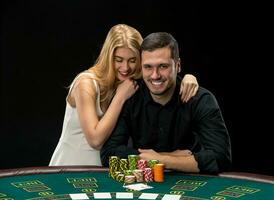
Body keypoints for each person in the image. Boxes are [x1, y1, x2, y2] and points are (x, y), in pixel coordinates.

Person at [49, 24, 199, 166]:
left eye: (132, 60)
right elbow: (95, 140)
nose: (125, 67)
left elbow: (163, 72)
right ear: (108, 56)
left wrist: (188, 77)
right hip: (70, 166)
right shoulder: (86, 83)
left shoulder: (130, 83)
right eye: (118, 60)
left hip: (104, 168)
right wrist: (120, 97)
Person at [100, 32, 232, 173]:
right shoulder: (130, 97)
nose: (155, 75)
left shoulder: (200, 99)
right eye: (148, 67)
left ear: (178, 65)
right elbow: (109, 153)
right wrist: (169, 157)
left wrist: (162, 160)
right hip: (145, 183)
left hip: (191, 183)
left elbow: (221, 158)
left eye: (163, 66)